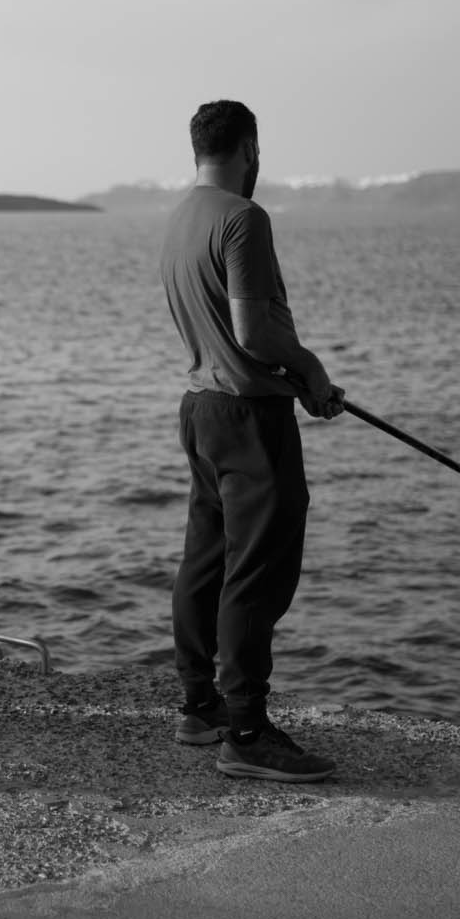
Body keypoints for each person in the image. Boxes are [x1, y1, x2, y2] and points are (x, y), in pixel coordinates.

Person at [159, 99, 345, 783]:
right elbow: (252, 332)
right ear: (251, 149)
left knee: (205, 560)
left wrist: (284, 376)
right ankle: (246, 731)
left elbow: (214, 332)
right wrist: (310, 371)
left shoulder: (180, 218)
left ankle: (199, 704)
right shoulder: (244, 218)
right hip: (248, 422)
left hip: (201, 409)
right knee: (257, 572)